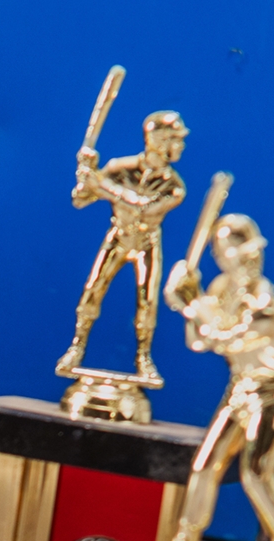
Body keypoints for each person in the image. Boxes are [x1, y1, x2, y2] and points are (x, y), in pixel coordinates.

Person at [144, 214, 274, 541]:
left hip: (272, 391)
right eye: (236, 253)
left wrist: (192, 304)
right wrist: (191, 303)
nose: (249, 259)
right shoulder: (222, 289)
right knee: (205, 464)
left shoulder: (265, 304)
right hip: (240, 388)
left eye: (251, 252)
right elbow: (198, 342)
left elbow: (225, 339)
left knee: (256, 471)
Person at [55, 111, 188, 382]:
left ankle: (144, 357)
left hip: (147, 242)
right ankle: (76, 347)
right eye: (175, 139)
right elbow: (80, 200)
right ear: (158, 141)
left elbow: (143, 208)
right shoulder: (120, 167)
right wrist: (85, 177)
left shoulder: (174, 186)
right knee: (93, 289)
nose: (180, 146)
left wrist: (101, 184)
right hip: (118, 236)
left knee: (147, 301)